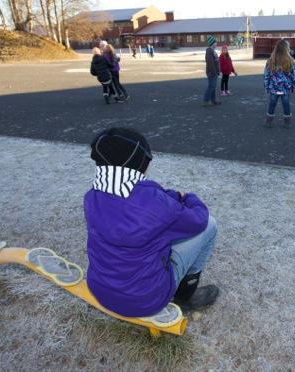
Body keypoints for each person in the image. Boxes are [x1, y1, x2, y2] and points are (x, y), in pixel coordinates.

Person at [84, 127, 220, 317]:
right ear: (140, 163)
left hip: (100, 288)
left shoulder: (92, 196)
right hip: (145, 300)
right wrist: (189, 198)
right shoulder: (157, 206)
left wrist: (171, 197)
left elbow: (149, 197)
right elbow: (199, 219)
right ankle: (185, 297)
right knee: (210, 226)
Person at [263, 39, 295, 128]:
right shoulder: (291, 61)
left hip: (274, 88)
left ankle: (269, 122)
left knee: (272, 104)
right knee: (286, 104)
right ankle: (287, 123)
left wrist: (266, 86)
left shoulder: (270, 60)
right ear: (286, 49)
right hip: (285, 88)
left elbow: (266, 75)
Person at [203, 35, 221, 106]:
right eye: (215, 42)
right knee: (211, 86)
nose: (216, 44)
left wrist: (218, 72)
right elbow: (210, 63)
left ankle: (213, 100)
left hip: (214, 72)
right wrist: (214, 72)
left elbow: (216, 62)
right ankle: (206, 101)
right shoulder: (209, 51)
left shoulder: (212, 50)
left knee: (213, 87)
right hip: (211, 72)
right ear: (212, 43)